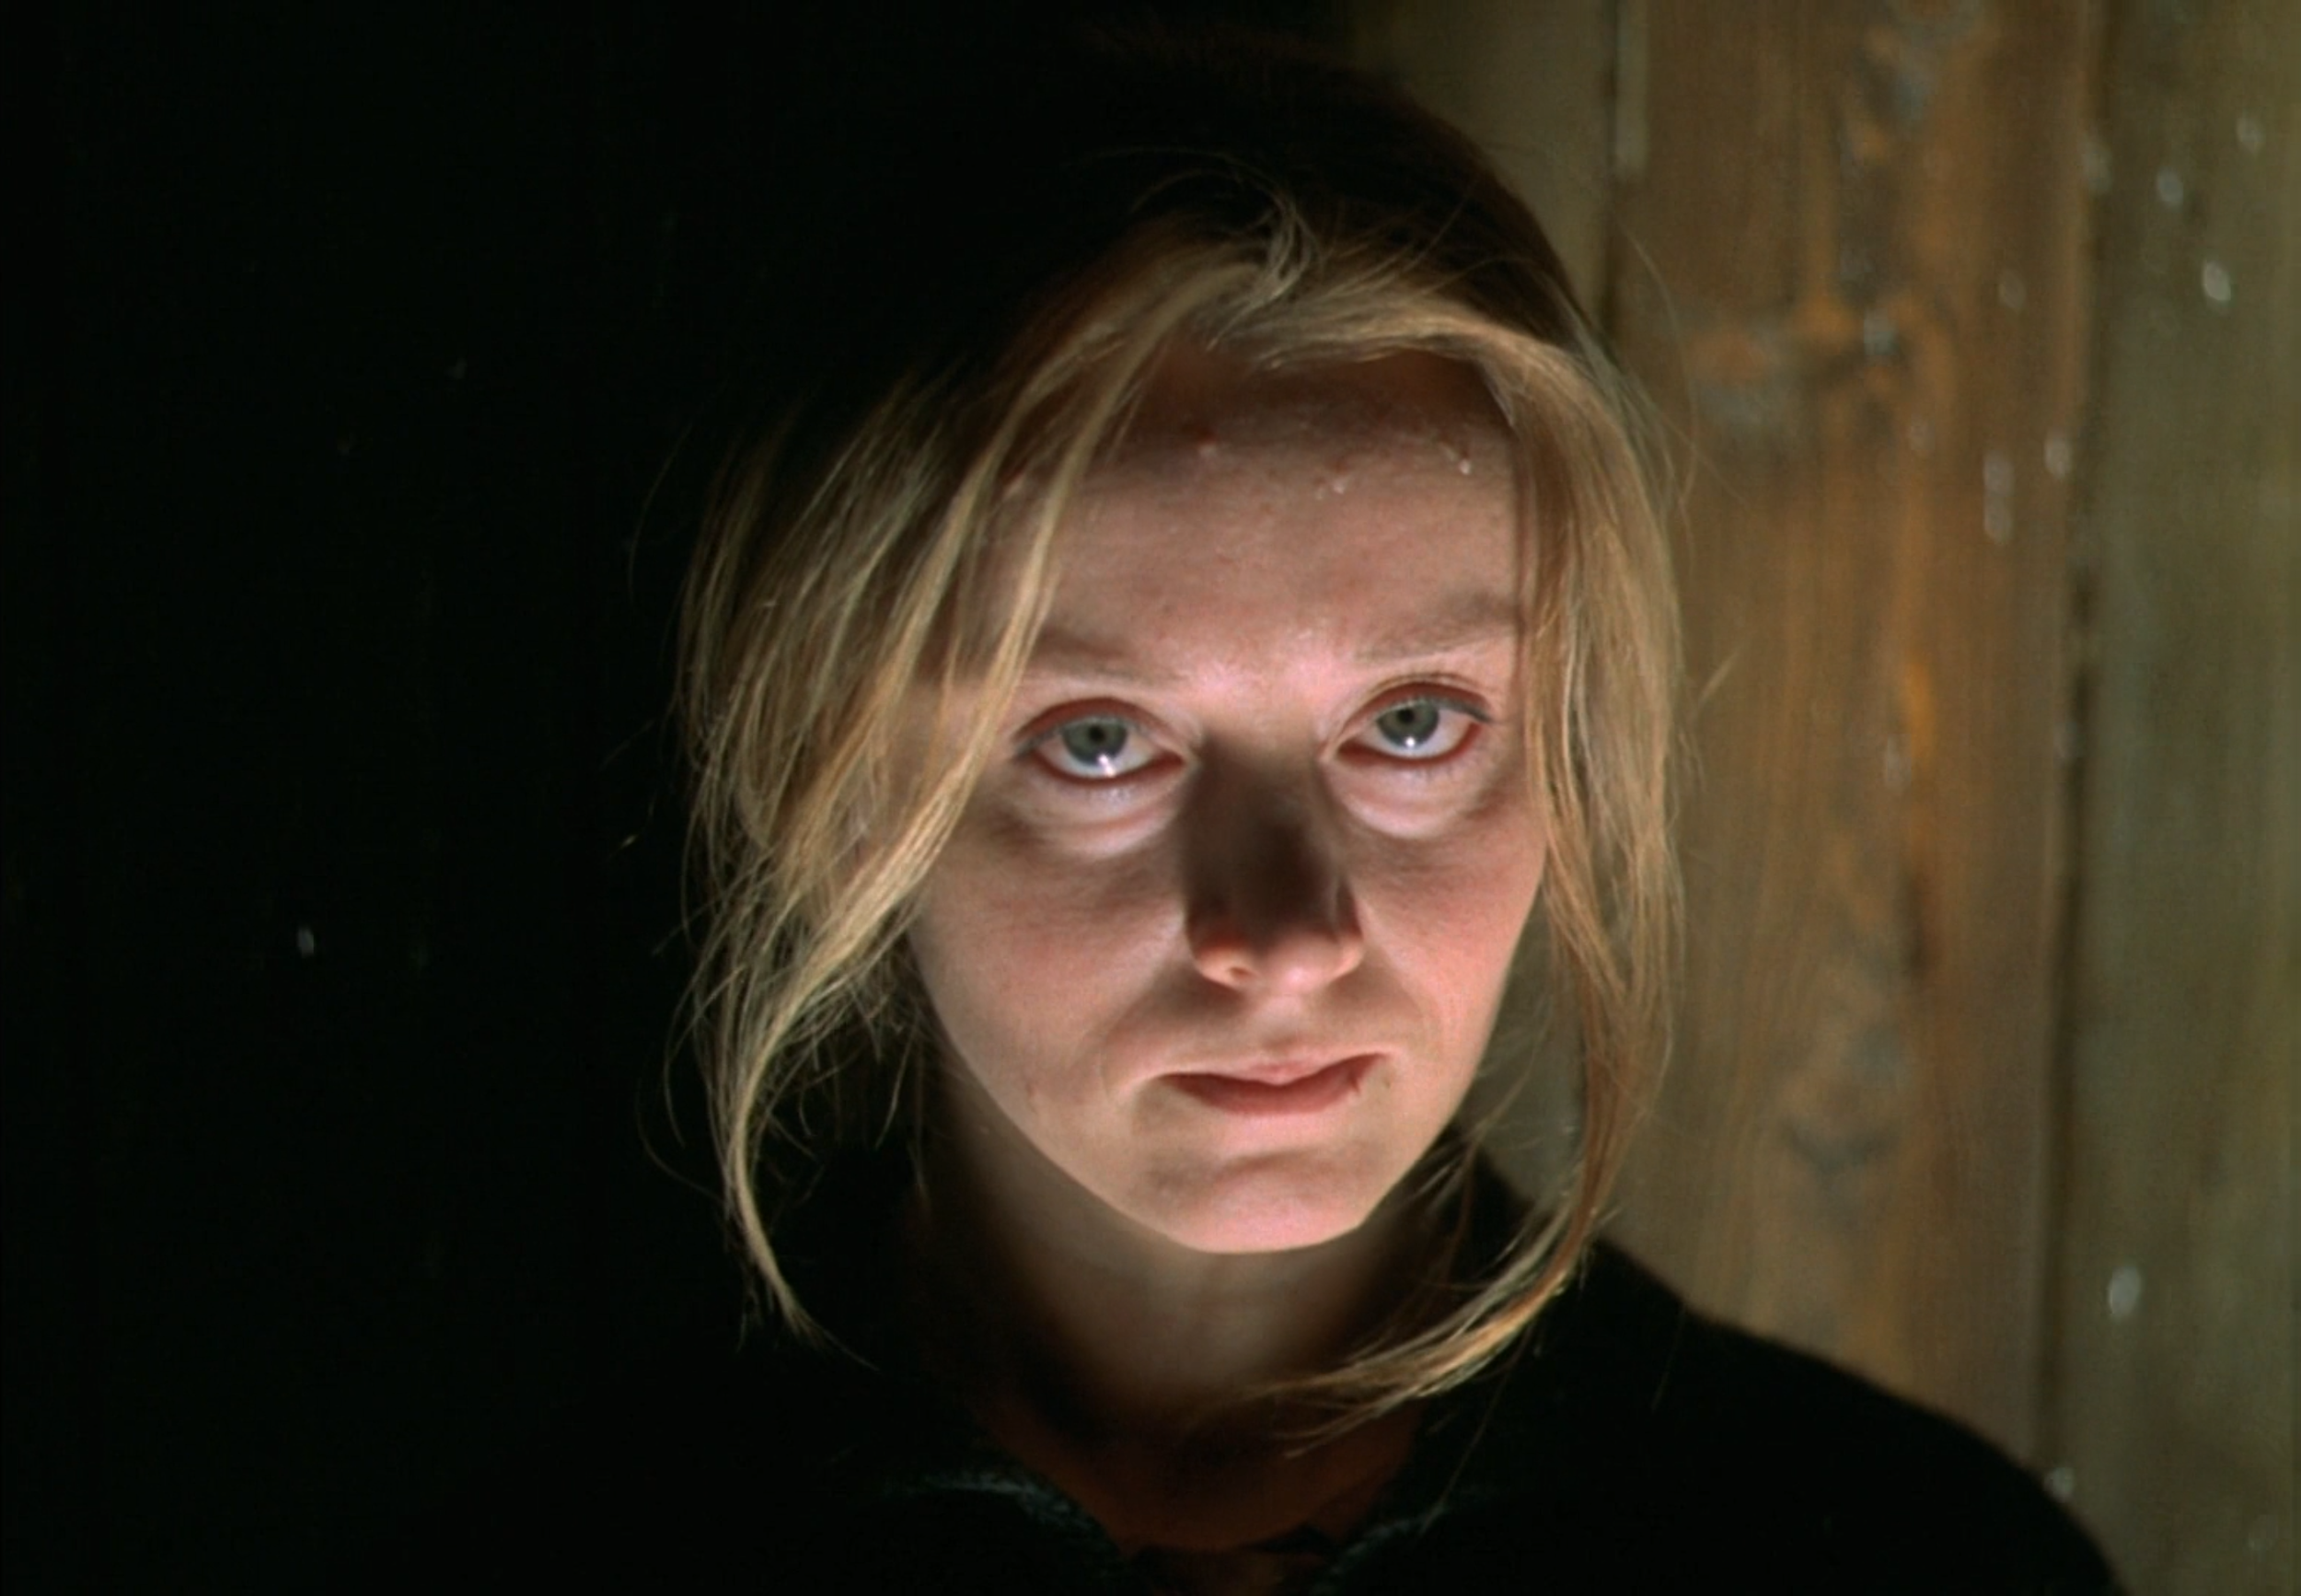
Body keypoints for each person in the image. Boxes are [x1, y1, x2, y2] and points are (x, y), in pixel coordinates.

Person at [434, 26, 2116, 1593]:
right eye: (1099, 741)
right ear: (833, 772)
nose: (1286, 933)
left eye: (1413, 724)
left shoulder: (1913, 1560)